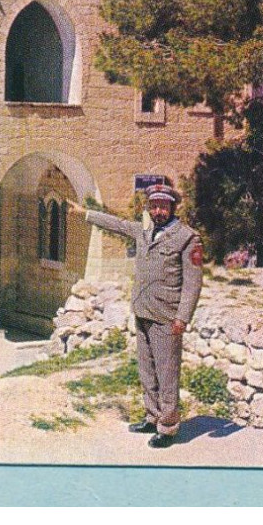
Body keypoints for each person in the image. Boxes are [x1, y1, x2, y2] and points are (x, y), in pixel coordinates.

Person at [85, 182, 204, 448]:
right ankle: (152, 417)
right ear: (149, 208)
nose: (158, 210)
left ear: (172, 207)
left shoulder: (187, 238)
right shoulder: (144, 232)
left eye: (163, 205)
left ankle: (169, 427)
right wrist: (86, 213)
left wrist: (182, 318)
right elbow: (116, 224)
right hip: (142, 311)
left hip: (167, 316)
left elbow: (193, 283)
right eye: (154, 205)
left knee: (166, 373)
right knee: (147, 371)